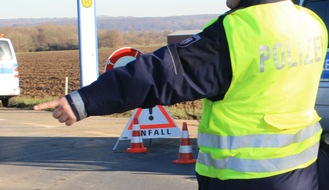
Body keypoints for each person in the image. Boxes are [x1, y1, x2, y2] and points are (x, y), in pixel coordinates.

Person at [34, 0, 328, 189]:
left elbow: (160, 75)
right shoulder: (312, 23)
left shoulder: (236, 33)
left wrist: (84, 100)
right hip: (303, 172)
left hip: (245, 179)